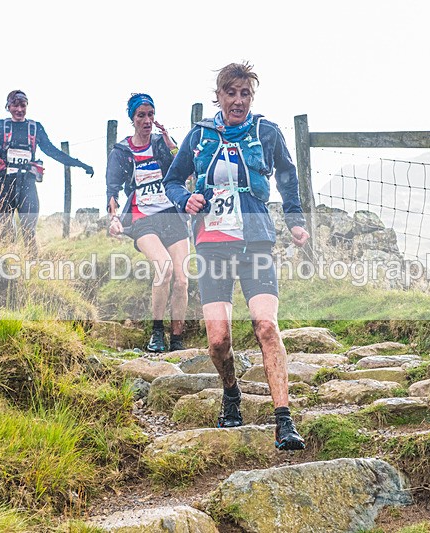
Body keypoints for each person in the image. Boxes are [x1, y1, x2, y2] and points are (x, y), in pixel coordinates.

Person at [163, 62, 310, 450]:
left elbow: (287, 174)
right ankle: (231, 392)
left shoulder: (266, 131)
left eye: (245, 94)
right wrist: (185, 198)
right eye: (232, 93)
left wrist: (295, 219)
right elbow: (173, 180)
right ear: (220, 95)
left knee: (266, 326)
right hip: (212, 244)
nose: (239, 101)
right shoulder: (199, 136)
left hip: (257, 240)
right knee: (218, 340)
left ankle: (284, 420)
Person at [0, 90, 94, 256]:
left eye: (22, 105)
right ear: (8, 107)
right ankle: (6, 268)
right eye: (15, 105)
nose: (19, 110)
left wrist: (79, 164)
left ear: (27, 106)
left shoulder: (35, 128)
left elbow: (52, 151)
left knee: (29, 232)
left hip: (27, 185)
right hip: (4, 185)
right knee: (5, 233)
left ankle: (32, 271)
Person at [106, 93, 189, 353]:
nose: (147, 120)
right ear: (132, 118)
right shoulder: (122, 151)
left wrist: (170, 142)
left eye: (150, 115)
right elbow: (113, 188)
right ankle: (156, 333)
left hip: (171, 215)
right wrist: (113, 218)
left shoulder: (161, 143)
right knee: (164, 269)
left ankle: (177, 338)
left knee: (182, 280)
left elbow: (185, 167)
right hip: (143, 219)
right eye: (141, 115)